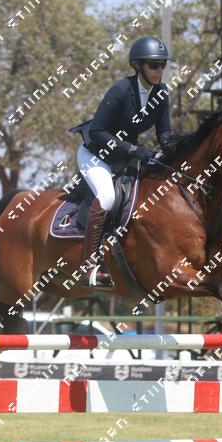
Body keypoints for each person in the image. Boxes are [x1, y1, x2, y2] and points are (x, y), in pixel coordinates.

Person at [69, 36, 176, 286]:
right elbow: (97, 131)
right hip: (96, 155)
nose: (159, 70)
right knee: (107, 197)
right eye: (154, 65)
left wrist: (178, 150)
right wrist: (132, 148)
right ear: (138, 65)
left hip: (123, 158)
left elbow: (165, 134)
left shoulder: (161, 93)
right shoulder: (121, 90)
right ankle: (88, 267)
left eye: (162, 65)